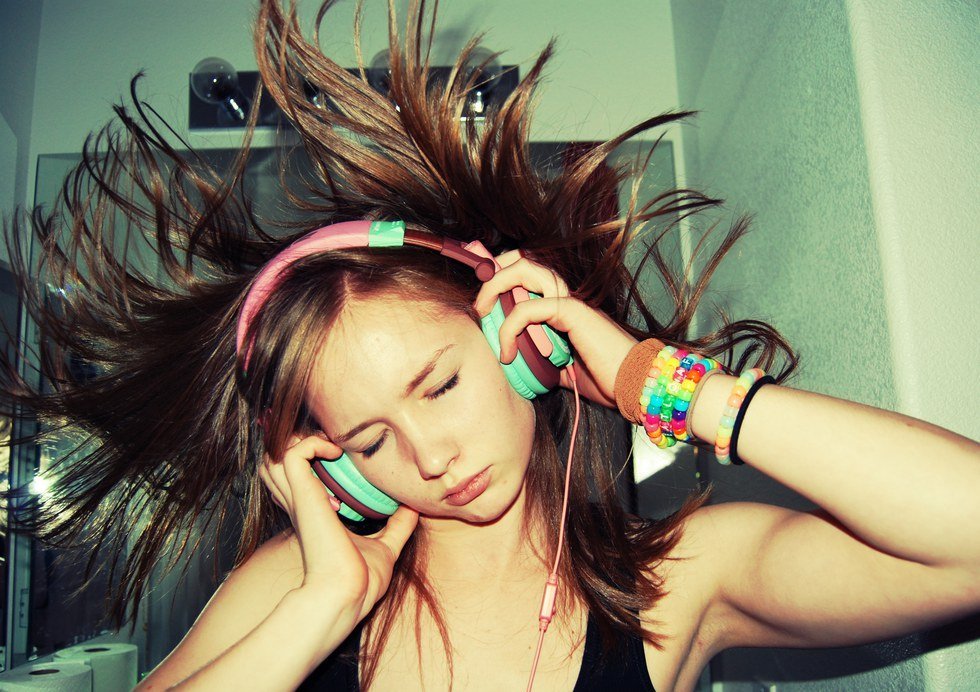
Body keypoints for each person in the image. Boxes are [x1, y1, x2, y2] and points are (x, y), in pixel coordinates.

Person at [2, 1, 978, 690]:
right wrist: (321, 605)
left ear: (518, 346)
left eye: (437, 386)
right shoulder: (294, 586)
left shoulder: (676, 580)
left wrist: (652, 381)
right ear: (339, 469)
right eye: (371, 438)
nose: (428, 455)